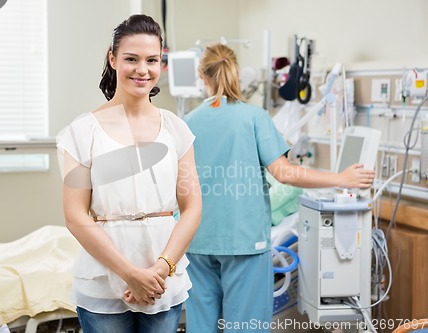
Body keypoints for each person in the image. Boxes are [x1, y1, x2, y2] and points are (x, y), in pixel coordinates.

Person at [184, 43, 375, 333]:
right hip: (244, 241)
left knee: (201, 324)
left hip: (197, 239)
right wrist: (341, 178)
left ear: (202, 76)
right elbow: (284, 173)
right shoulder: (253, 117)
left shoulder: (188, 122)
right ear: (236, 75)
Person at [56, 14, 202, 333]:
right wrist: (131, 274)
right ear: (113, 59)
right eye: (131, 59)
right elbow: (75, 215)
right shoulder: (81, 132)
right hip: (101, 282)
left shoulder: (177, 130)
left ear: (161, 62)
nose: (142, 69)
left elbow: (192, 208)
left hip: (163, 278)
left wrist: (162, 268)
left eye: (151, 60)